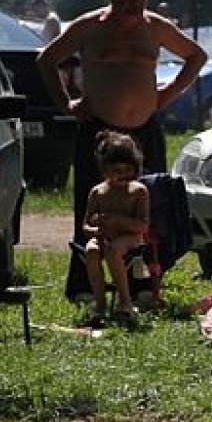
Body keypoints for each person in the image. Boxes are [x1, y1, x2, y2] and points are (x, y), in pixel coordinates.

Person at [37, 0, 207, 302]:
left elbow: (196, 57)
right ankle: (85, 285)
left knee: (145, 208)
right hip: (100, 129)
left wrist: (166, 94)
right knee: (92, 205)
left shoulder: (156, 27)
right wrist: (67, 104)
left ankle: (143, 285)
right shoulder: (89, 26)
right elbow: (46, 59)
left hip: (144, 128)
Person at [82, 131, 150, 327]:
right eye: (116, 170)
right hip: (104, 237)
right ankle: (100, 303)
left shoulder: (138, 191)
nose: (122, 174)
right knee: (91, 250)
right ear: (104, 169)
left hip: (131, 238)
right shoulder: (97, 192)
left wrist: (118, 221)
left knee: (113, 251)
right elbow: (85, 225)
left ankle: (125, 302)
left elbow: (143, 225)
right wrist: (96, 229)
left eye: (127, 169)